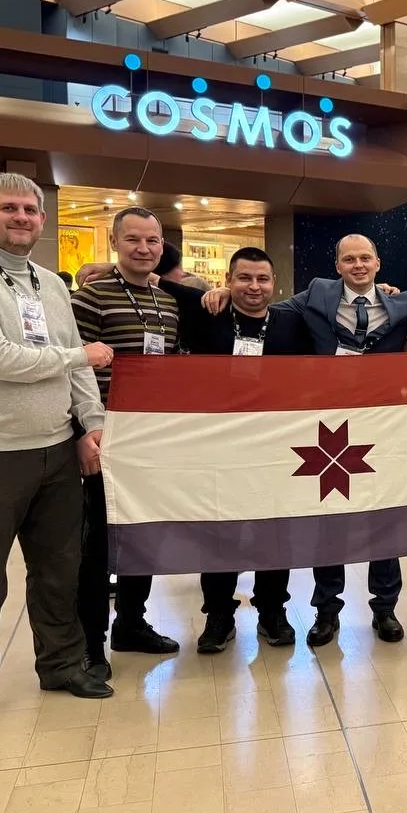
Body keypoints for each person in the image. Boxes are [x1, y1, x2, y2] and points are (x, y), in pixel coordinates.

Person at [0, 173, 115, 734]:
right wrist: (81, 356)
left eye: (31, 210)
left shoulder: (50, 283)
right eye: (9, 208)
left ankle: (61, 665)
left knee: (59, 569)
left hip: (56, 451)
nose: (22, 218)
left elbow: (74, 363)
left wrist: (92, 422)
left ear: (42, 219)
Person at [204, 234, 407, 646]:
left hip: (379, 425)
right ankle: (327, 611)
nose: (358, 265)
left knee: (383, 518)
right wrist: (226, 293)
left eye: (365, 258)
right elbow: (267, 307)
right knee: (329, 517)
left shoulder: (404, 304)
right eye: (349, 259)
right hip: (327, 426)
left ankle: (385, 608)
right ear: (337, 266)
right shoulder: (317, 293)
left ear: (378, 263)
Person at [158, 247, 312, 653]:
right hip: (218, 449)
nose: (254, 287)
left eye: (262, 279)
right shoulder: (207, 313)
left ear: (275, 283)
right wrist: (103, 266)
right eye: (244, 278)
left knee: (274, 532)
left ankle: (272, 611)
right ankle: (219, 615)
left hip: (276, 449)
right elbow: (152, 278)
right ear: (228, 280)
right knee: (218, 532)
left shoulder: (292, 323)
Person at [72, 207, 183, 678]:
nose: (143, 248)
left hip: (151, 440)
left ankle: (131, 624)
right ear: (114, 242)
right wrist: (84, 431)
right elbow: (74, 371)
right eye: (133, 239)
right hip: (107, 438)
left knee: (145, 535)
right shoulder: (91, 298)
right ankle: (90, 642)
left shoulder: (167, 303)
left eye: (152, 241)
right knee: (99, 543)